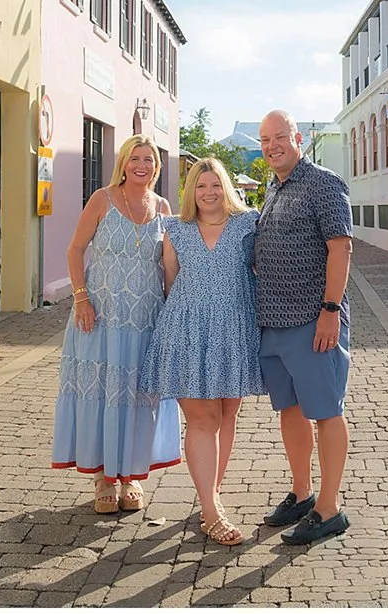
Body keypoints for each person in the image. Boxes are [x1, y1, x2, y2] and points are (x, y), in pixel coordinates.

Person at [51, 134, 182, 514]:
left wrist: (173, 313)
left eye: (148, 159)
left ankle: (131, 476)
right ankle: (103, 477)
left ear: (157, 167)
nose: (141, 165)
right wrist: (81, 298)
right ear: (123, 163)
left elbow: (168, 266)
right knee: (102, 392)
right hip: (100, 317)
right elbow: (75, 250)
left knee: (138, 396)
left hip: (145, 320)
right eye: (134, 158)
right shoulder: (102, 199)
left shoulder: (163, 208)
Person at [142, 158, 265, 546]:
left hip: (235, 332)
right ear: (190, 191)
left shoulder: (248, 224)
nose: (208, 192)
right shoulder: (175, 229)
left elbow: (260, 270)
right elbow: (170, 281)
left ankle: (211, 496)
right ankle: (211, 513)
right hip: (187, 333)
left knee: (228, 413)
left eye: (215, 185)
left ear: (225, 187)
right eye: (200, 186)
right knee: (203, 418)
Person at [251, 110, 355, 545]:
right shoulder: (273, 188)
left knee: (326, 411)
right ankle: (302, 493)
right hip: (273, 321)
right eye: (264, 139)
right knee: (290, 410)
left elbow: (341, 247)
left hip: (314, 322)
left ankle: (329, 509)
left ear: (297, 139)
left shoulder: (323, 183)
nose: (272, 145)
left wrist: (330, 310)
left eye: (279, 137)